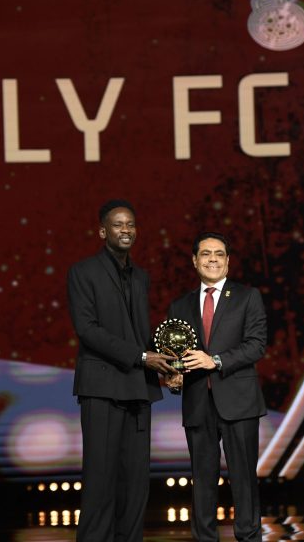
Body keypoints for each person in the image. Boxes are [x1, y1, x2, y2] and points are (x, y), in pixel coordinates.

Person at [66, 199, 179, 541]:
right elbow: (88, 330)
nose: (125, 229)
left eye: (130, 224)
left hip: (138, 389)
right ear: (103, 231)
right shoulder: (83, 272)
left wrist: (166, 365)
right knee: (100, 483)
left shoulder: (141, 276)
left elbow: (139, 332)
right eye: (117, 224)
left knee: (135, 485)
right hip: (101, 388)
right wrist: (143, 357)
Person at [166, 232, 267, 542]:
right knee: (203, 479)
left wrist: (216, 361)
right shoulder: (179, 306)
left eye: (219, 254)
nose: (212, 259)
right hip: (198, 401)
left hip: (238, 399)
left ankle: (248, 536)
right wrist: (173, 374)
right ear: (195, 261)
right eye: (206, 253)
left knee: (243, 478)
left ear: (228, 261)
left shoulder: (247, 296)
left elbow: (256, 345)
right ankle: (204, 538)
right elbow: (174, 355)